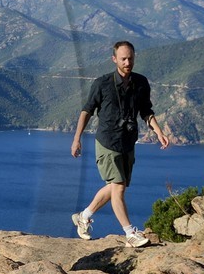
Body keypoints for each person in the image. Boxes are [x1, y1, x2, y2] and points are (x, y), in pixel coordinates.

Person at [70, 40, 170, 247]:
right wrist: (77, 139)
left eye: (130, 58)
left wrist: (159, 132)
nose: (127, 62)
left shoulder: (141, 83)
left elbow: (146, 112)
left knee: (116, 186)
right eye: (123, 59)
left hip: (128, 142)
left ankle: (83, 216)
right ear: (114, 59)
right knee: (119, 188)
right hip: (107, 142)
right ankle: (130, 233)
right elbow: (86, 111)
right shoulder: (102, 84)